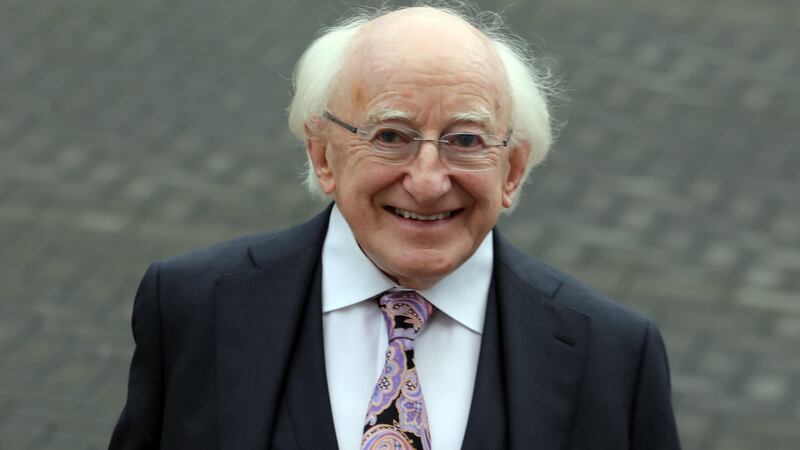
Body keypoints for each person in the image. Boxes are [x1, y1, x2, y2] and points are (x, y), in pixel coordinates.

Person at [109, 4, 681, 450]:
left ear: (512, 170)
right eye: (390, 136)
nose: (428, 182)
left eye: (465, 139)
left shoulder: (612, 354)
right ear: (323, 156)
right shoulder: (193, 305)